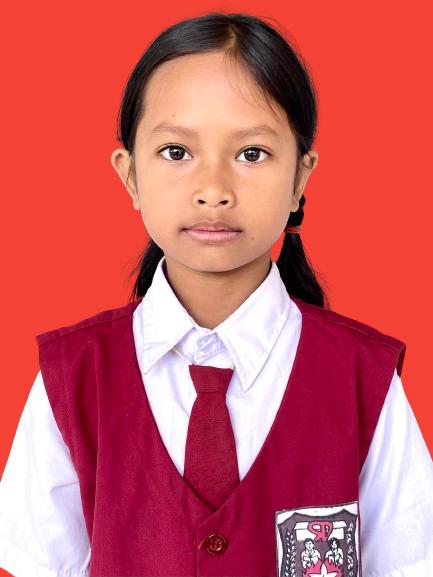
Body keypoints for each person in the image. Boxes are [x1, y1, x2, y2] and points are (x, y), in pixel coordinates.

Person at [1, 11, 432, 577]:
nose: (213, 190)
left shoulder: (362, 377)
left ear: (301, 178)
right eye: (176, 152)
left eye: (251, 153)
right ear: (129, 174)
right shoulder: (74, 375)